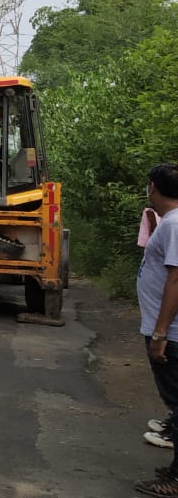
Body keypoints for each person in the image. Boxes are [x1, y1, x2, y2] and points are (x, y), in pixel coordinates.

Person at [136, 163, 178, 496]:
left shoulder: (175, 224)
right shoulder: (170, 222)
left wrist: (161, 332)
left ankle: (175, 480)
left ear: (153, 187)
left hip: (171, 334)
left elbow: (176, 279)